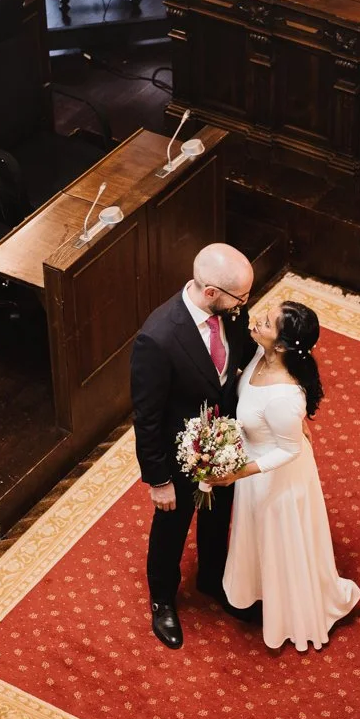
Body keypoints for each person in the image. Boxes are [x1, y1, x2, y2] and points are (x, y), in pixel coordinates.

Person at [211, 301, 360, 651]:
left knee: (280, 543)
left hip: (274, 477)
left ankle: (291, 609)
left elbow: (289, 450)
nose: (257, 320)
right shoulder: (261, 355)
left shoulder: (283, 396)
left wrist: (240, 473)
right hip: (256, 466)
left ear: (280, 346)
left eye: (266, 322)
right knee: (257, 538)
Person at [129, 243, 257, 649]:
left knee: (218, 516)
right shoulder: (157, 338)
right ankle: (162, 599)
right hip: (179, 455)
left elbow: (245, 355)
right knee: (172, 528)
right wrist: (158, 480)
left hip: (224, 443)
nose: (245, 305)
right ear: (211, 292)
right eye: (240, 297)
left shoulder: (231, 310)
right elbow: (147, 418)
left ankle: (212, 579)